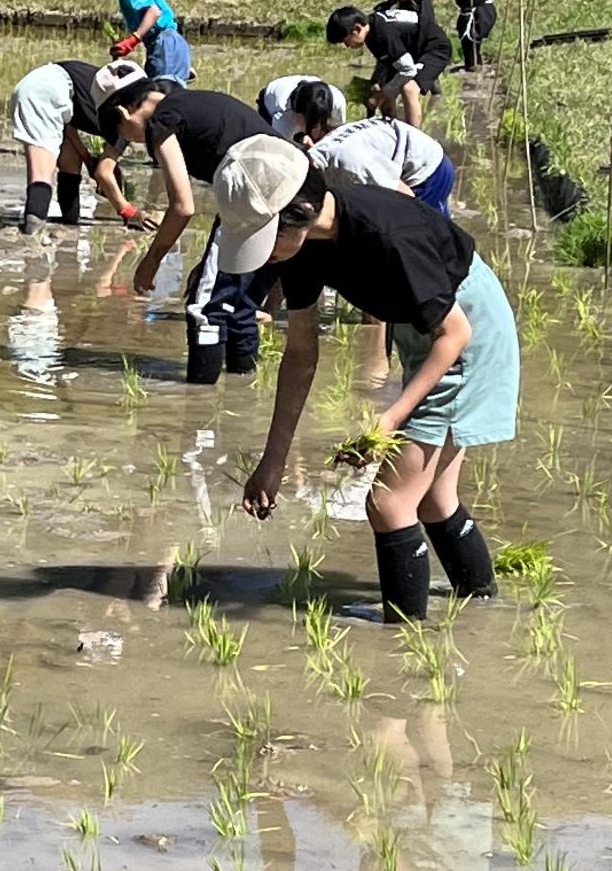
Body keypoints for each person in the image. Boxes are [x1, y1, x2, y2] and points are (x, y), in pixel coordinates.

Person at [215, 135, 518, 623]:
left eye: (266, 237)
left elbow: (456, 333)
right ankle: (483, 608)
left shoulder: (386, 234)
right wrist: (272, 462)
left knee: (388, 502)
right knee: (435, 500)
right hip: (429, 333)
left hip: (465, 334)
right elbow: (300, 352)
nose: (265, 255)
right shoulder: (303, 249)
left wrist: (391, 418)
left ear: (303, 210)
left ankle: (401, 637)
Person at [97, 76, 270, 382]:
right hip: (286, 185)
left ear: (124, 115)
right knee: (238, 304)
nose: (139, 143)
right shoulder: (188, 103)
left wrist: (150, 262)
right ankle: (242, 394)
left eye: (130, 138)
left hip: (255, 193)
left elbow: (183, 206)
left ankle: (196, 408)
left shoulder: (160, 122)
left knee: (204, 307)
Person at [8, 58, 147, 235]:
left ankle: (70, 222)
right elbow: (104, 173)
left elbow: (69, 123)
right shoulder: (127, 122)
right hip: (45, 94)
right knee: (42, 173)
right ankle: (31, 234)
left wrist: (87, 158)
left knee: (70, 161)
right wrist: (127, 211)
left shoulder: (111, 90)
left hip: (40, 82)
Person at [325, 0, 452, 130]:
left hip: (433, 48)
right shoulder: (372, 32)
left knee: (409, 89)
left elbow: (408, 69)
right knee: (385, 91)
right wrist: (381, 90)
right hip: (411, 50)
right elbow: (389, 64)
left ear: (357, 28)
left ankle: (412, 140)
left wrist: (381, 95)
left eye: (346, 41)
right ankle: (391, 131)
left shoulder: (382, 33)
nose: (348, 46)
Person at [306, 108, 457, 218]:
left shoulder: (351, 167)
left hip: (428, 171)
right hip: (404, 151)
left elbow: (407, 200)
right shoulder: (314, 155)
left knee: (425, 233)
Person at [88, 0, 192, 86]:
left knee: (159, 97)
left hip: (164, 45)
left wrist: (133, 40)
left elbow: (154, 11)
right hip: (175, 43)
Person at [256, 73, 348, 142]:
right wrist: (300, 138)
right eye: (313, 123)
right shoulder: (283, 116)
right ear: (299, 114)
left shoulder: (337, 102)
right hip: (268, 103)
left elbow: (337, 133)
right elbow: (280, 150)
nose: (318, 128)